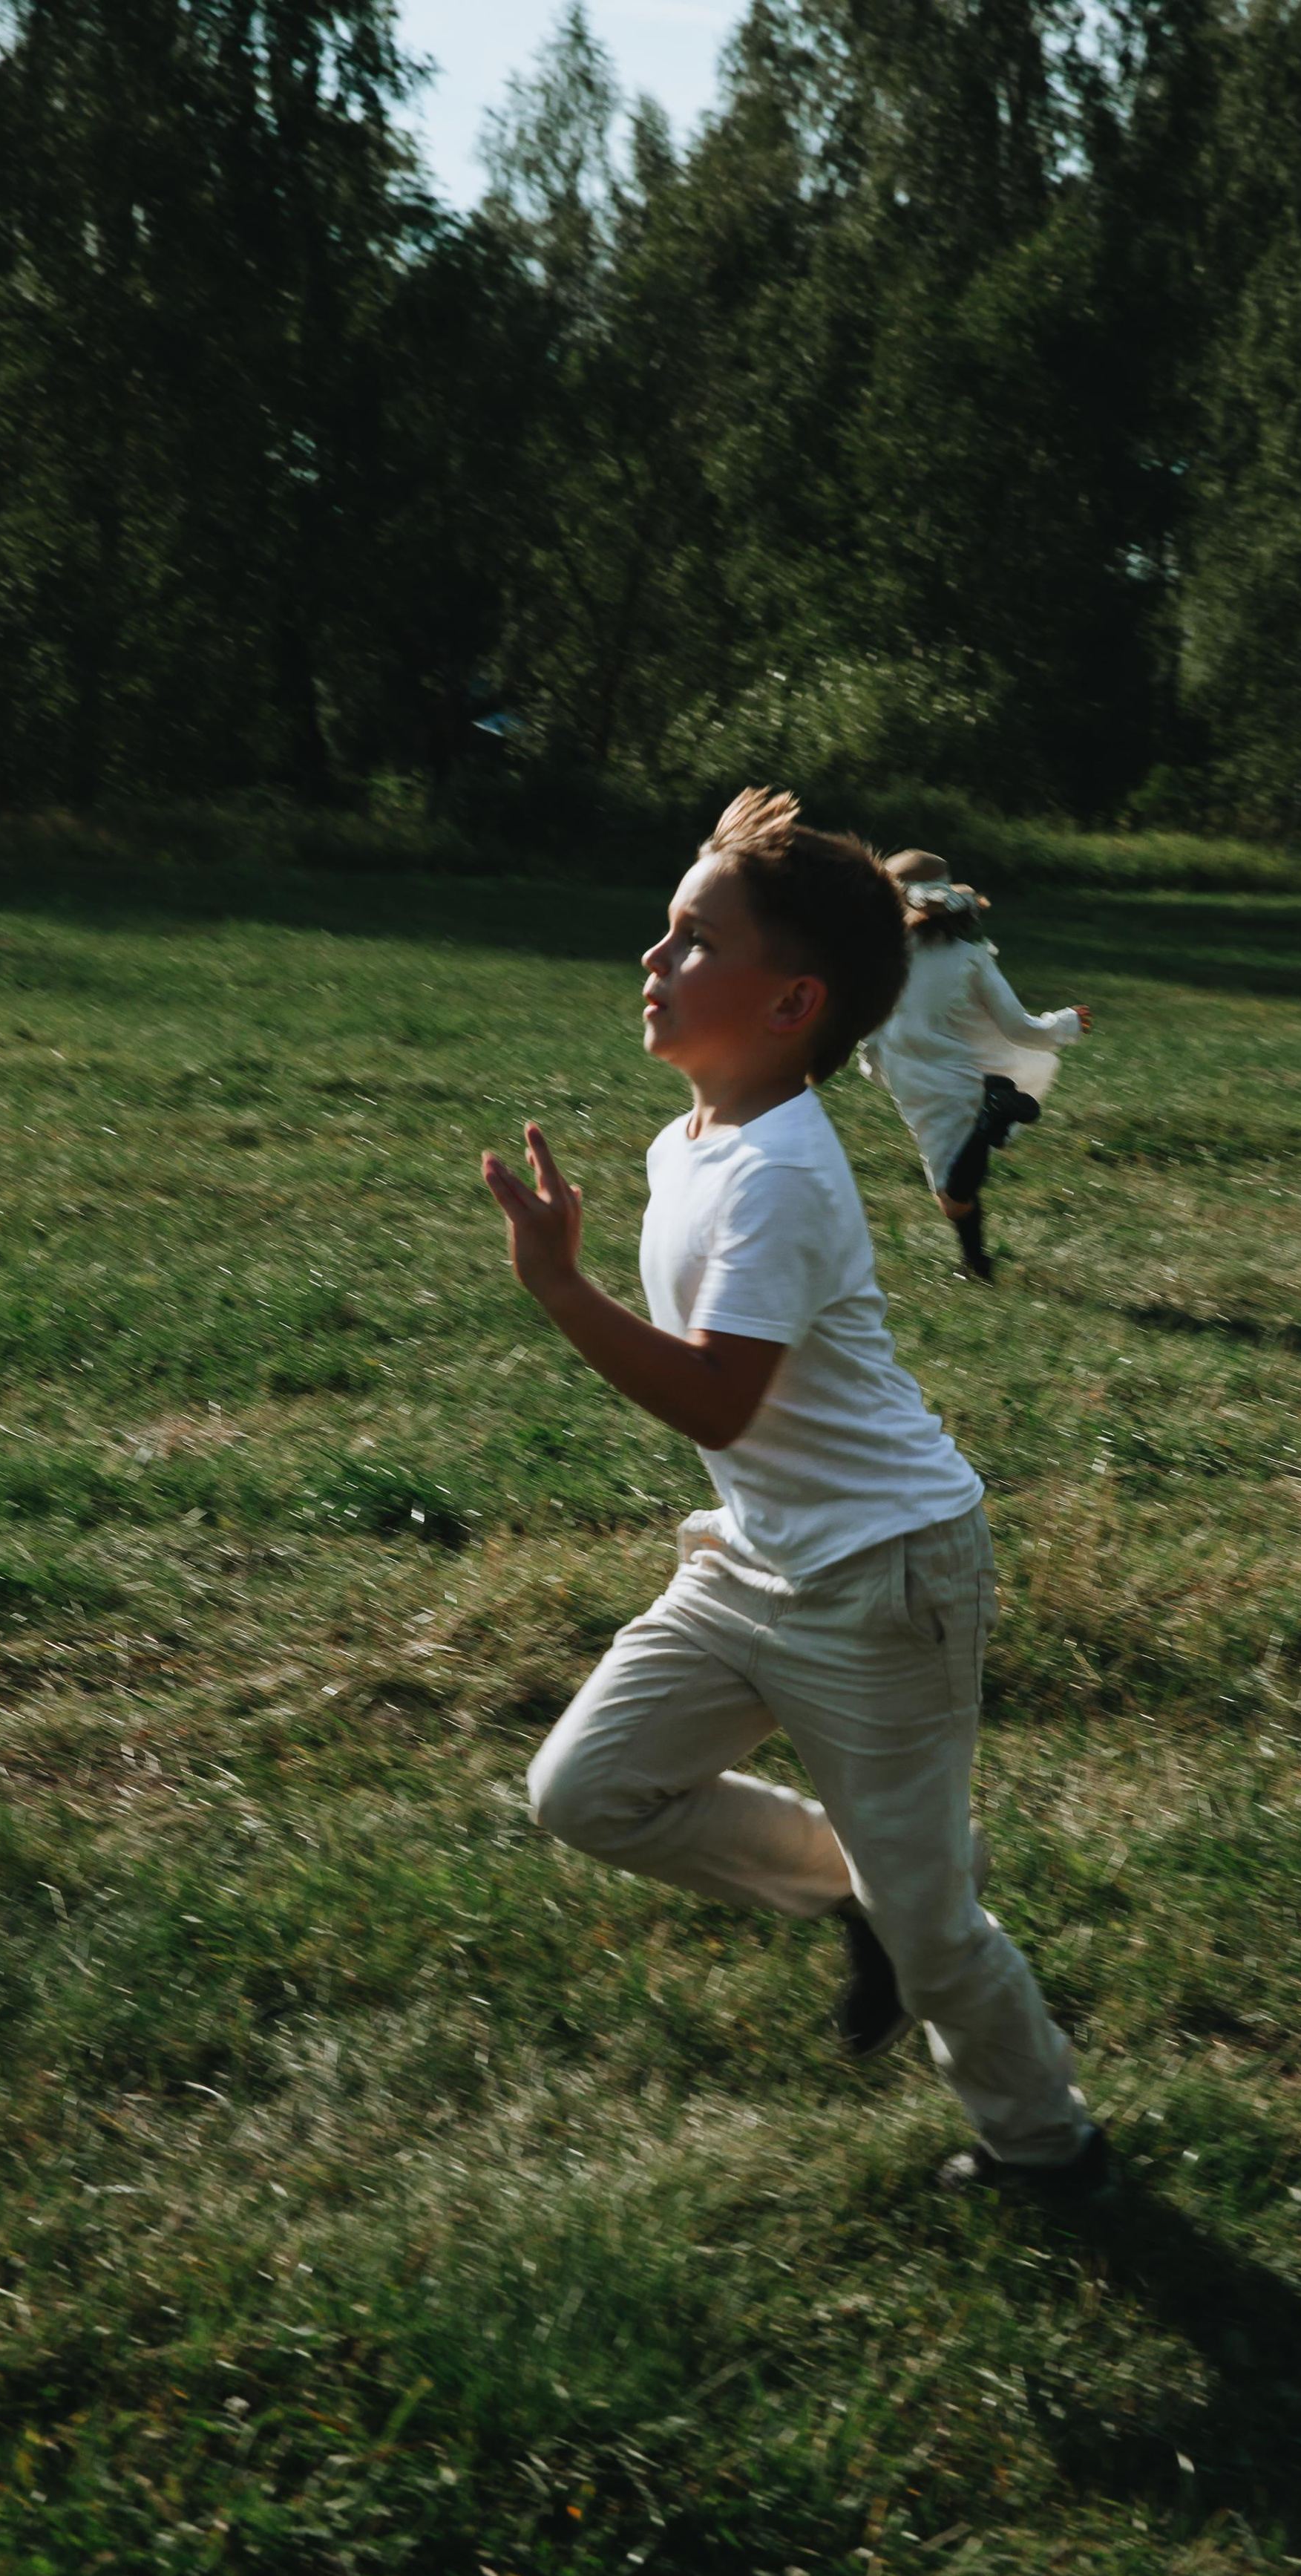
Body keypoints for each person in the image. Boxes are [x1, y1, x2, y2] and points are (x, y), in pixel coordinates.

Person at [479, 787, 1109, 2206]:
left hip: (889, 1580)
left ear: (791, 1004)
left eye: (695, 939)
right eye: (665, 930)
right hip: (754, 1562)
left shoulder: (781, 1174)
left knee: (940, 1935)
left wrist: (560, 1288)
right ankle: (861, 1888)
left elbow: (716, 1399)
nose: (655, 960)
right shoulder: (689, 1140)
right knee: (586, 1790)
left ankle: (1050, 2148)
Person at [861, 850, 1091, 1281]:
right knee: (951, 1190)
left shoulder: (878, 957)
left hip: (912, 1073)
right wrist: (1065, 1024)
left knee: (950, 1192)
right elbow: (1018, 1030)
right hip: (952, 1071)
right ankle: (977, 1263)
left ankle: (977, 1261)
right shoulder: (968, 958)